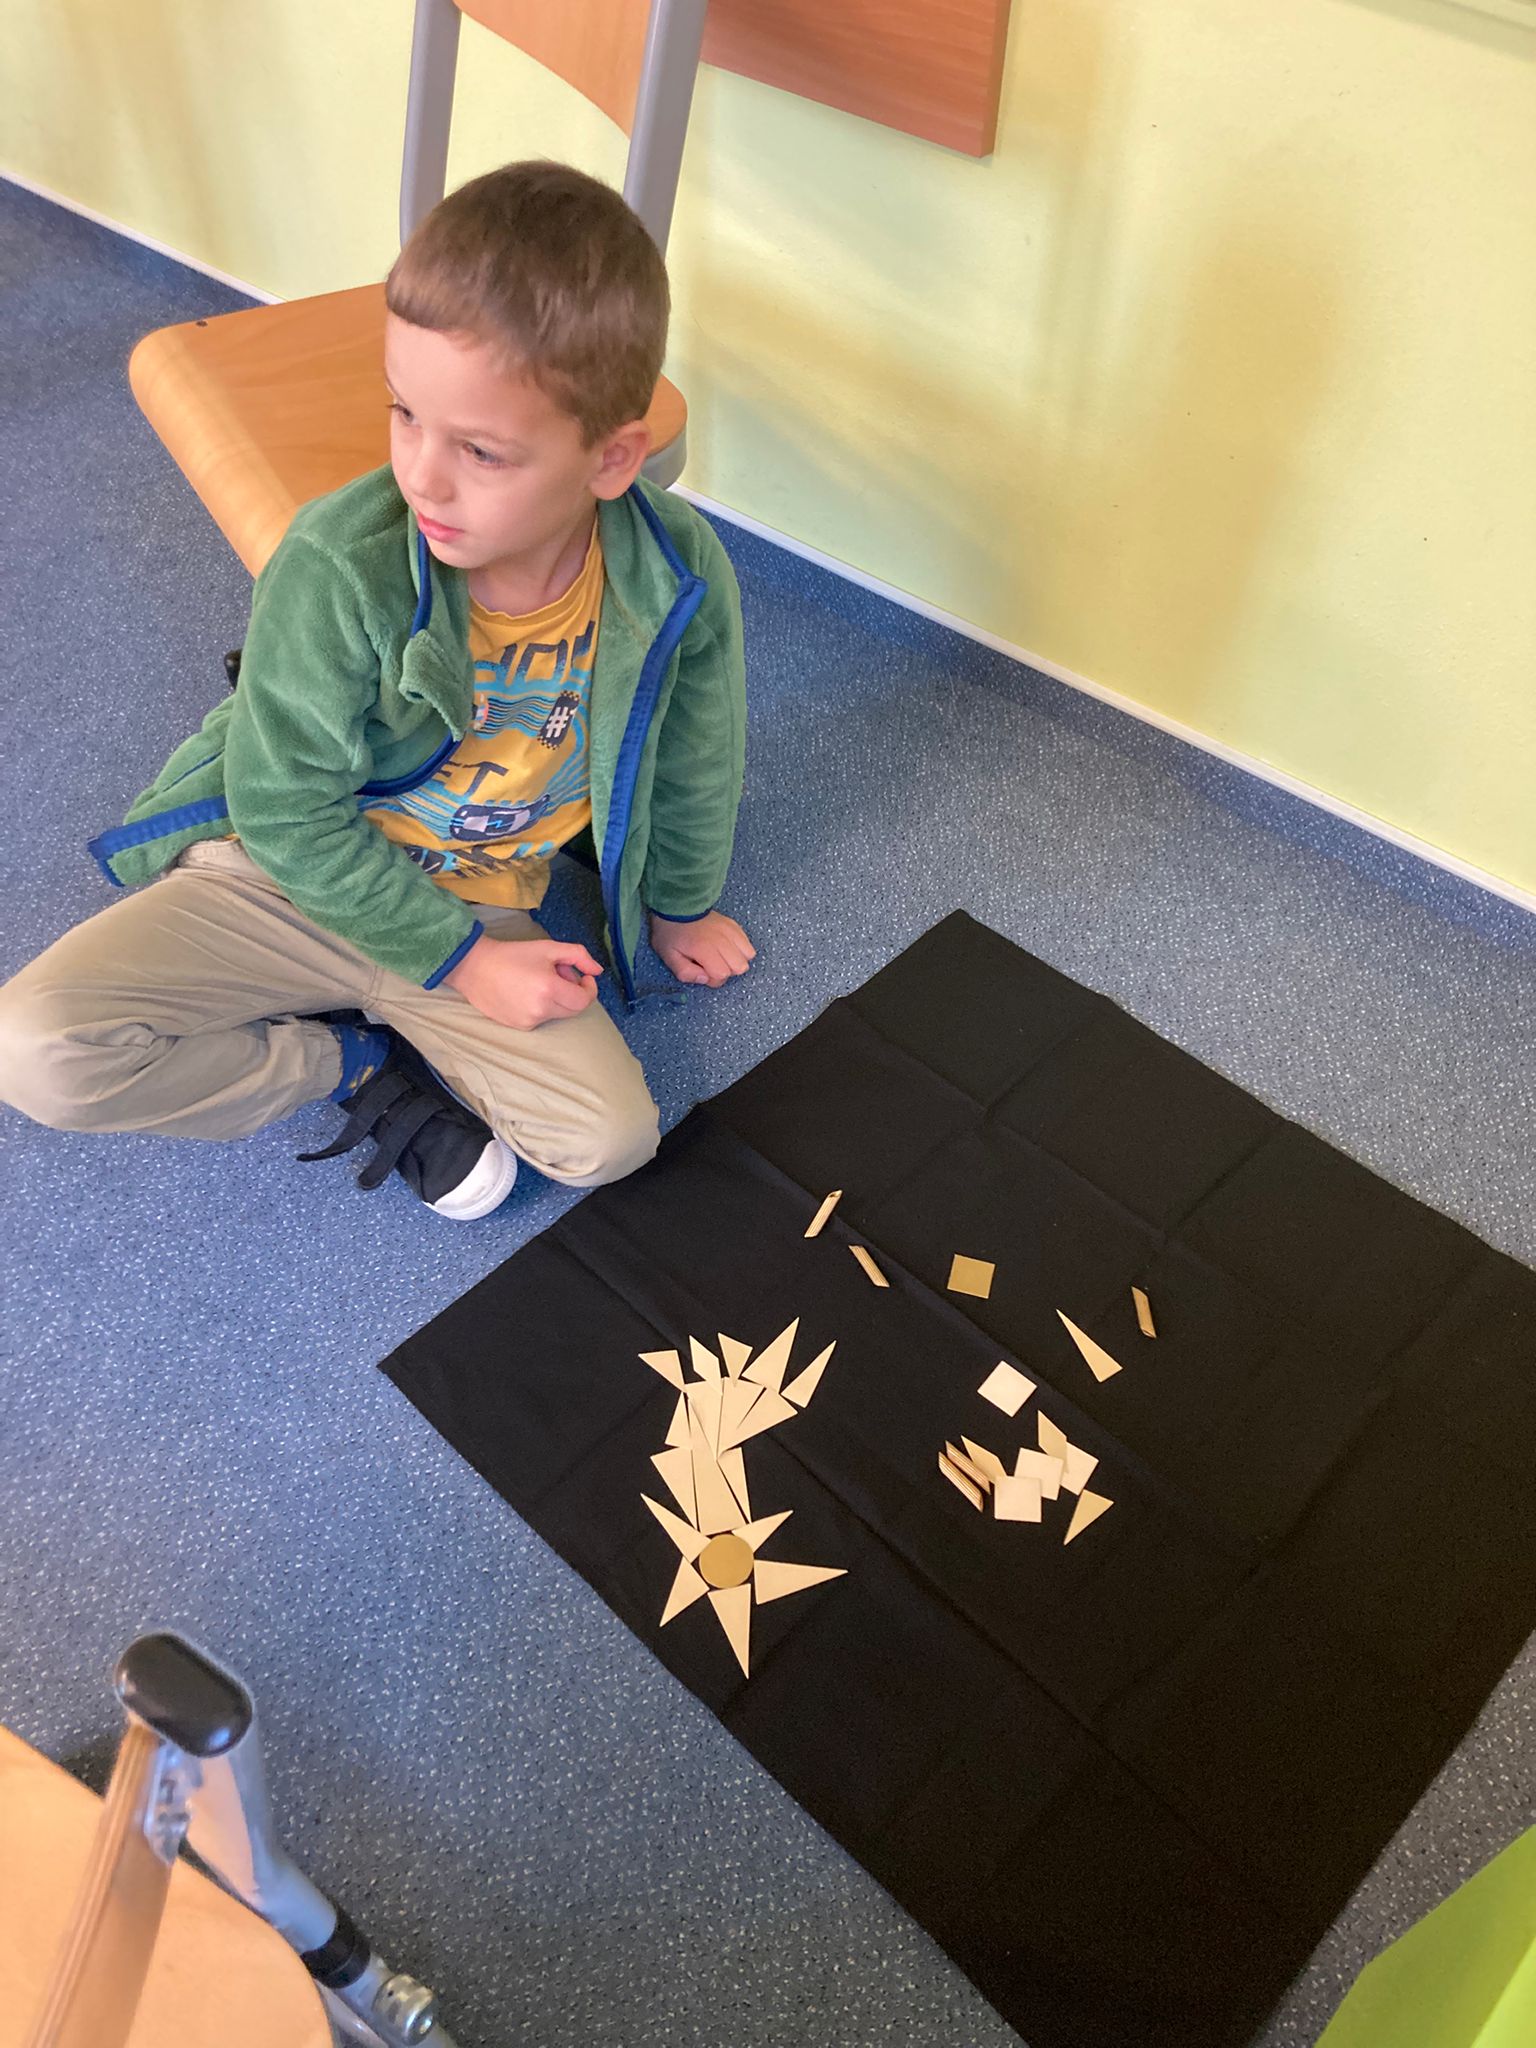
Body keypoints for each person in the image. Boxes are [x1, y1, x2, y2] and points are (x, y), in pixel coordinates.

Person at [0, 161, 754, 1218]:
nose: (422, 476)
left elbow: (695, 751)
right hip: (291, 876)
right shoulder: (335, 565)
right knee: (37, 1050)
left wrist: (681, 904)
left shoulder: (678, 571)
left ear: (611, 458)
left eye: (480, 450)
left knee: (610, 1142)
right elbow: (287, 814)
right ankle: (348, 1061)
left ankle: (390, 1016)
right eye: (404, 413)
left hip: (477, 893)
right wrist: (464, 968)